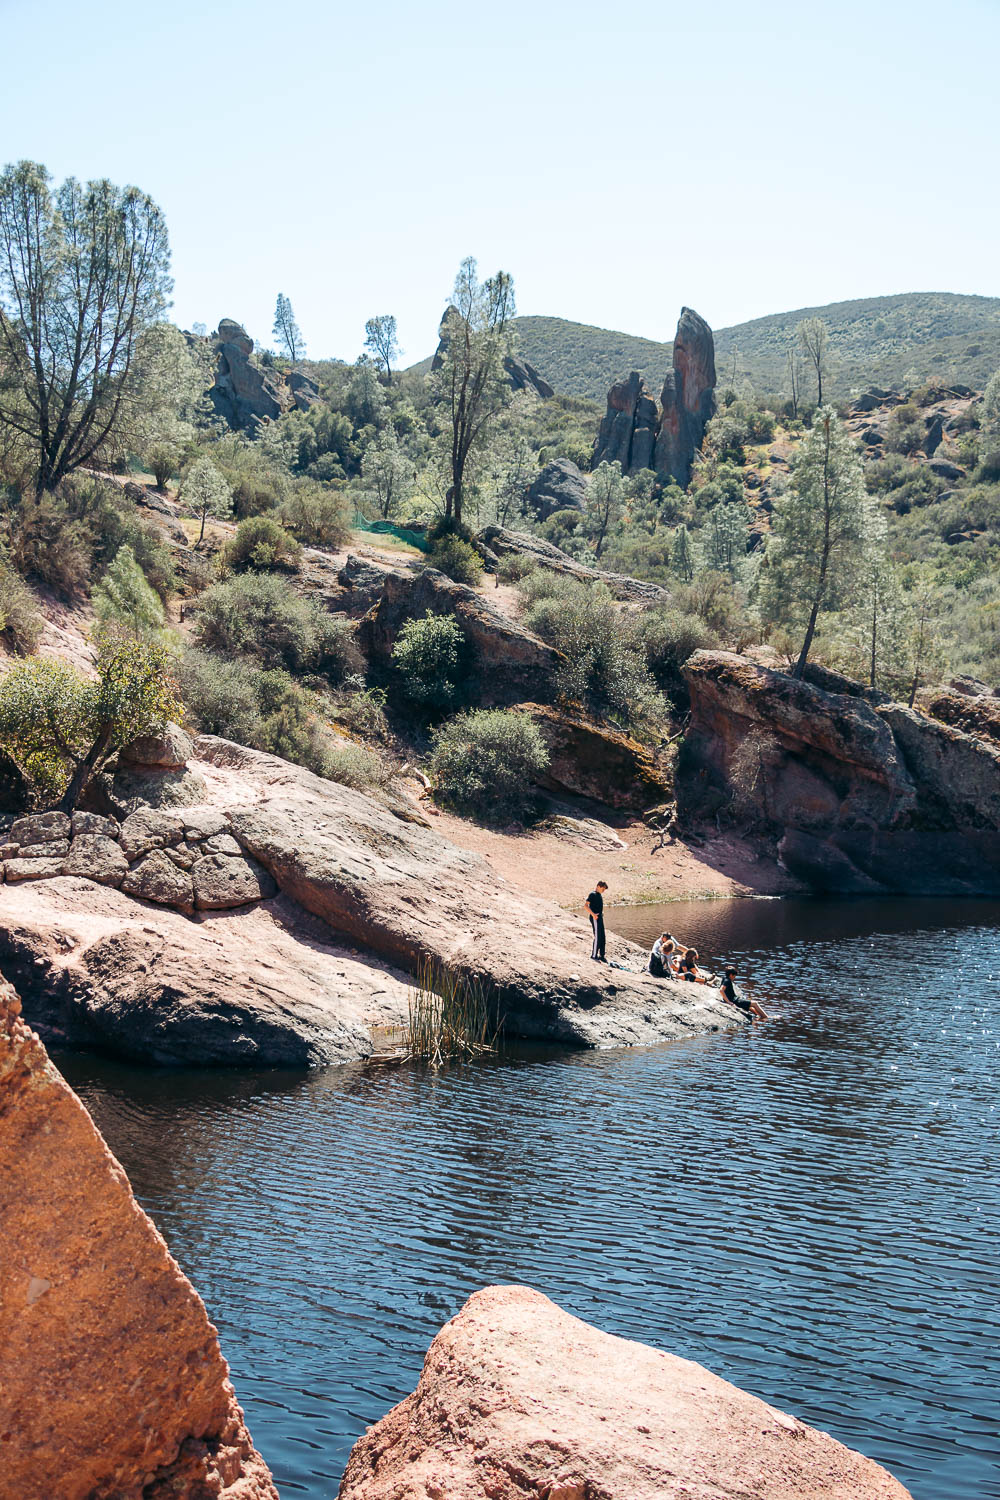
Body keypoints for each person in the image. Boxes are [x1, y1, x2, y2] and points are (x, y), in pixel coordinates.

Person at [585, 881, 608, 962]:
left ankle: (602, 955)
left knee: (602, 936)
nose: (603, 891)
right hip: (595, 917)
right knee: (597, 936)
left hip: (600, 917)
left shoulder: (599, 895)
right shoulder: (592, 894)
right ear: (598, 886)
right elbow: (586, 906)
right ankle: (594, 955)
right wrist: (593, 915)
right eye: (603, 889)